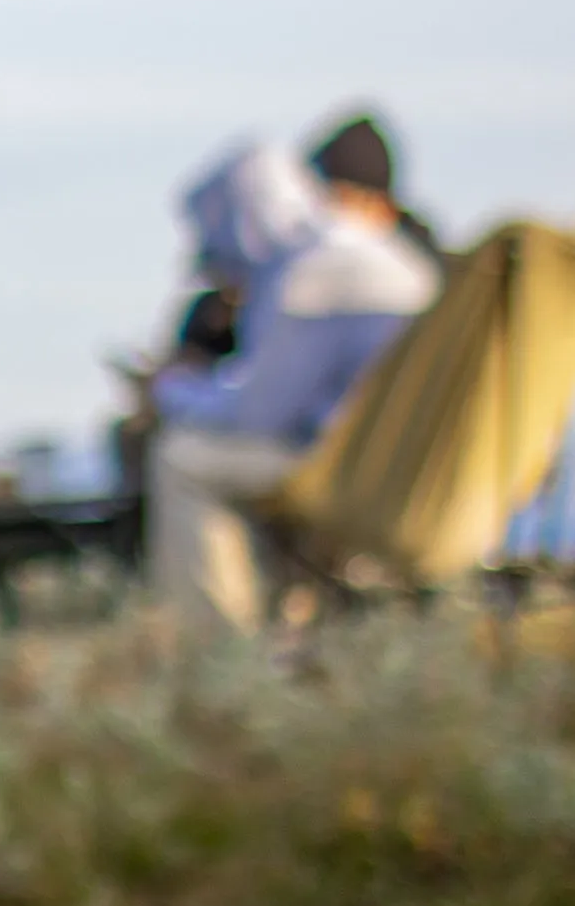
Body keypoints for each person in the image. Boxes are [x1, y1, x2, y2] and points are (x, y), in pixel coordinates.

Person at [141, 111, 440, 629]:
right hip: (417, 464)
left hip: (356, 474)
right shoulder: (389, 256)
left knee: (183, 459)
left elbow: (260, 416)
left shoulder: (313, 271)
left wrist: (171, 391)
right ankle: (289, 622)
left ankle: (219, 645)